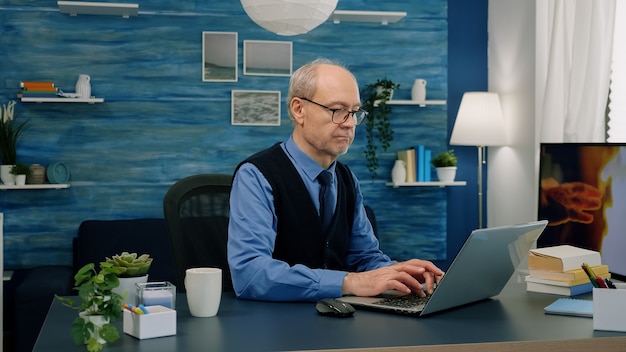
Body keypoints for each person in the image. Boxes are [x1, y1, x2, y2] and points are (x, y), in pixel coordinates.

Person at [227, 58, 444, 302]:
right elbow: (249, 274)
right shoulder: (256, 174)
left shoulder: (346, 178)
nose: (350, 123)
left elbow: (364, 257)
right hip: (276, 326)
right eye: (337, 110)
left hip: (343, 320)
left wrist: (402, 274)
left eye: (354, 112)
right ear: (299, 109)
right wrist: (348, 282)